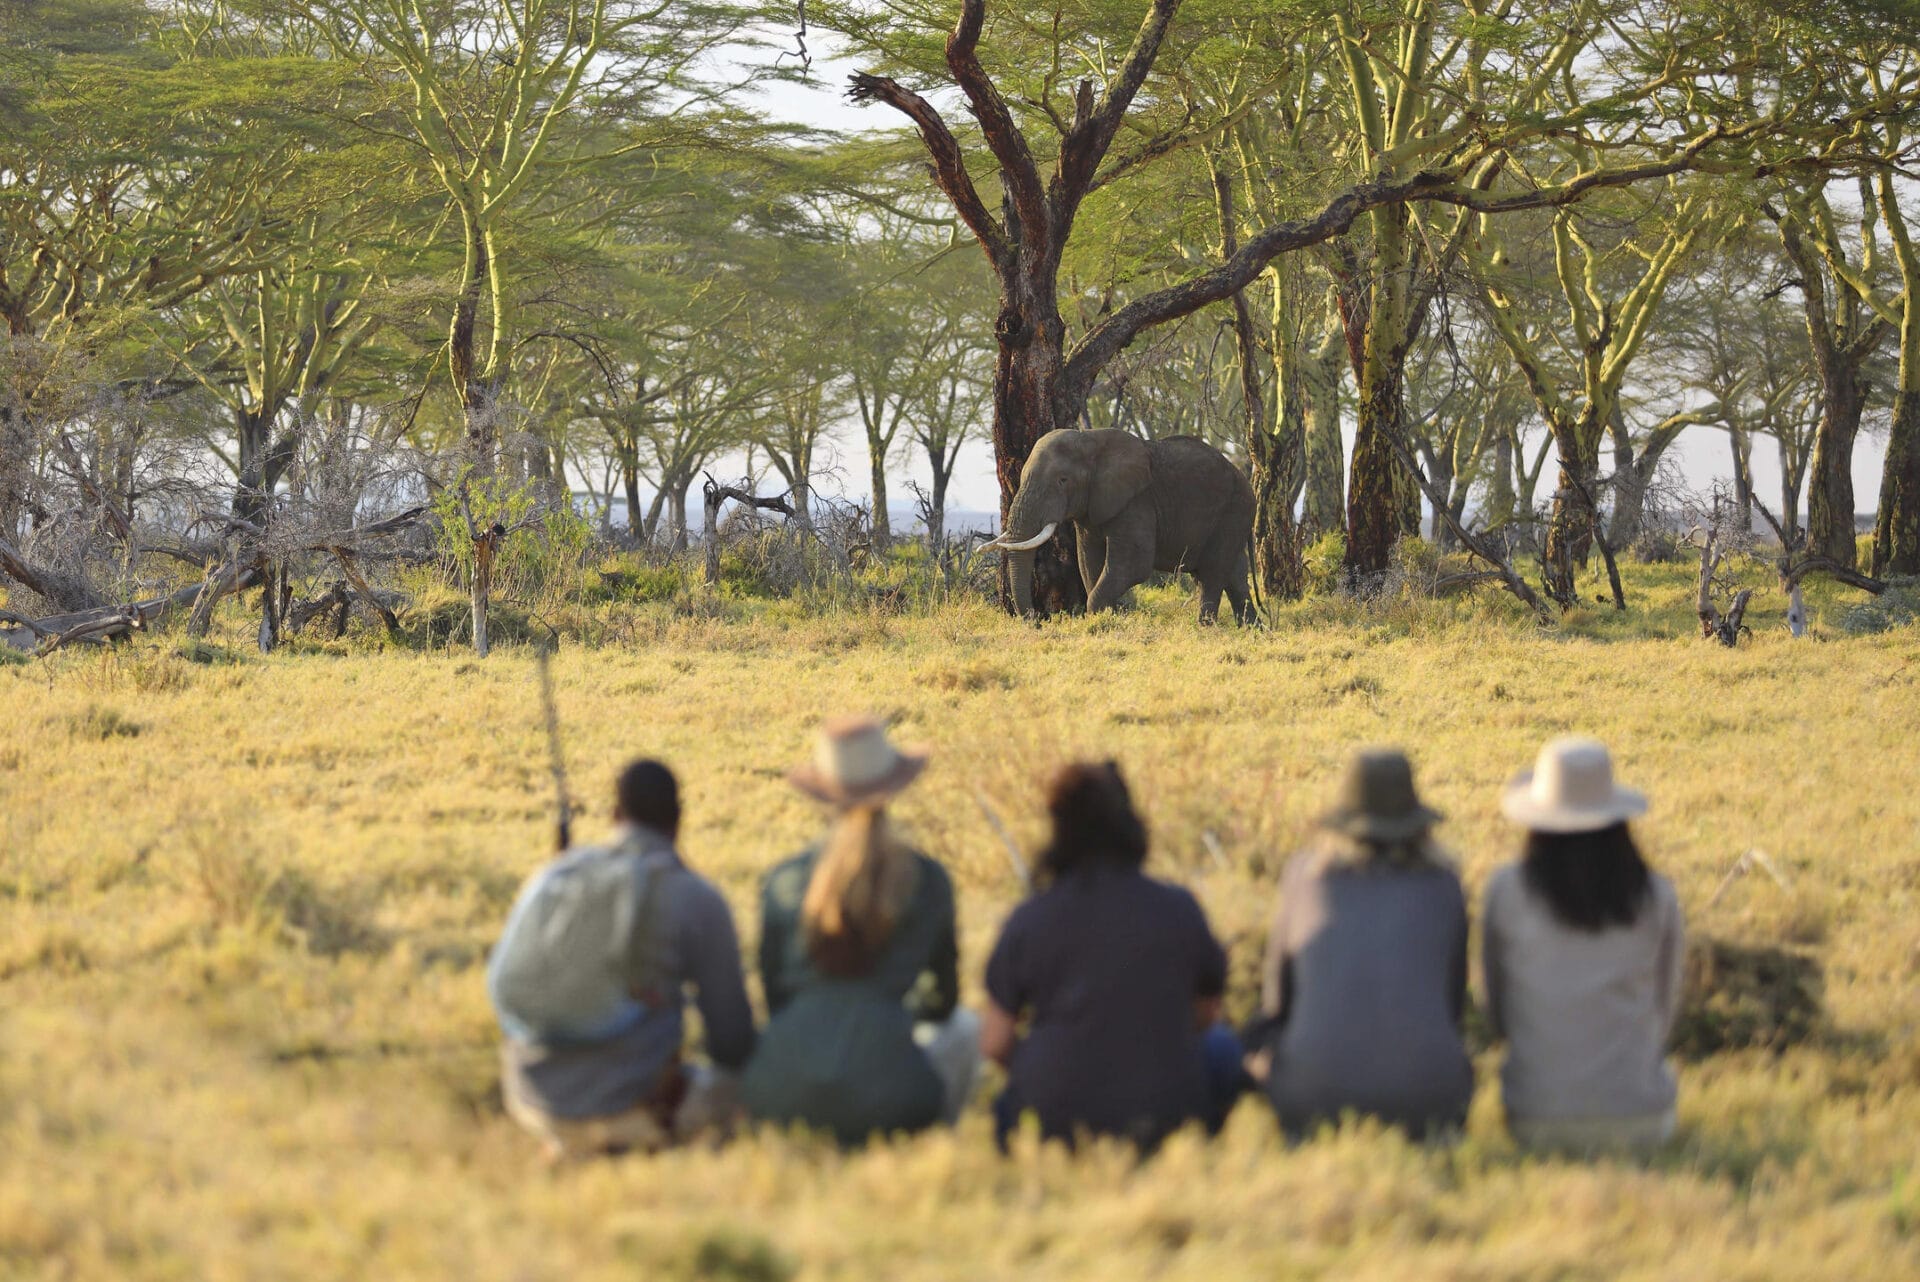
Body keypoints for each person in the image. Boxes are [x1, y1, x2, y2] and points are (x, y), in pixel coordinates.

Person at [487, 759, 755, 1161]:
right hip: (636, 1102)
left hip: (530, 1099)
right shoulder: (695, 897)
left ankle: (565, 1142)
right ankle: (636, 1136)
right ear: (679, 818)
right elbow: (732, 1040)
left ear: (614, 815)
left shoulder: (557, 874)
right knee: (752, 1090)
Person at [742, 717, 980, 1145]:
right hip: (895, 1099)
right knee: (966, 1029)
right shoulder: (926, 880)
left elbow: (775, 996)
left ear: (822, 793)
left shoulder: (783, 880)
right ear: (893, 788)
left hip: (781, 1093)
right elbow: (943, 1002)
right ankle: (936, 1141)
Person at [983, 761, 1243, 1151]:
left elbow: (994, 1042)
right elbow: (1206, 1014)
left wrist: (1045, 1064)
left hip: (1055, 1112)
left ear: (1059, 830)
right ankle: (1203, 1144)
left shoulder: (1030, 918)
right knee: (1222, 1046)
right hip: (1167, 1108)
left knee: (1005, 1103)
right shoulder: (1178, 908)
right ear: (1130, 823)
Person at [1245, 748, 1473, 1139]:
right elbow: (1451, 1005)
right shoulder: (1444, 885)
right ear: (1417, 821)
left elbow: (1278, 1001)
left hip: (1310, 1096)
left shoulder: (1304, 876)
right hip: (1429, 1098)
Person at [1483, 736, 1685, 1155]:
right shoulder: (1656, 894)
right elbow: (1664, 1014)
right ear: (1617, 821)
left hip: (1533, 1119)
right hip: (1642, 1121)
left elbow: (1497, 1012)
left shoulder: (1505, 890)